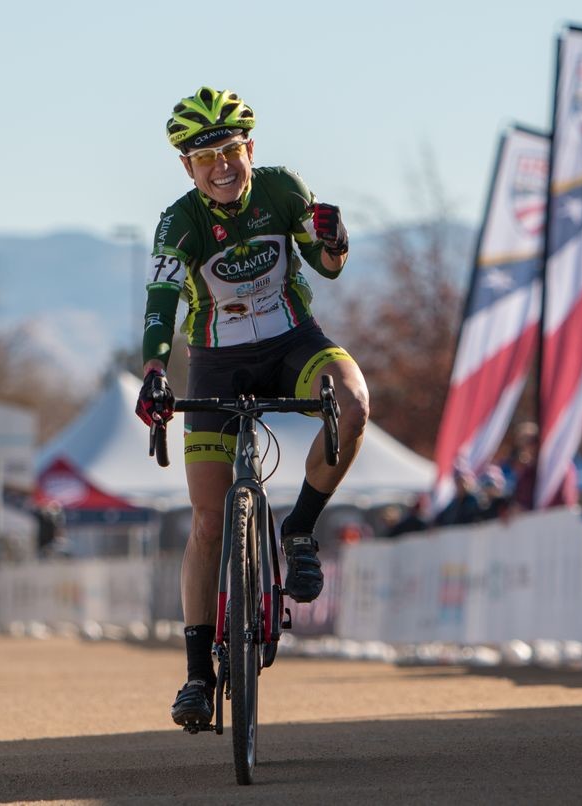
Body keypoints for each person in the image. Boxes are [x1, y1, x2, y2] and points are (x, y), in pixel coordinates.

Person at [135, 87, 369, 731]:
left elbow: (327, 267)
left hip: (294, 340)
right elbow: (161, 301)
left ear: (250, 151)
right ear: (187, 167)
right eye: (205, 156)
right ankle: (196, 676)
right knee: (209, 520)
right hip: (214, 359)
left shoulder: (283, 190)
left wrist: (336, 241)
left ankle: (299, 528)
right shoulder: (177, 221)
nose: (221, 166)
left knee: (351, 404)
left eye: (231, 151)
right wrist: (155, 368)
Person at [434, 461, 487, 527]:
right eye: (457, 482)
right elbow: (443, 518)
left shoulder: (475, 500)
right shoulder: (453, 503)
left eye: (462, 481)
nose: (460, 485)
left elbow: (483, 516)